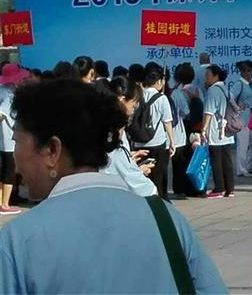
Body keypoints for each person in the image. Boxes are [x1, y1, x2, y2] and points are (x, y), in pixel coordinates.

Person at [0, 79, 226, 293]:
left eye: (17, 141)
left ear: (52, 150)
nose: (15, 161)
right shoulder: (165, 219)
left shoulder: (19, 239)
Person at [100, 76, 157, 197]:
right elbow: (145, 188)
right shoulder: (114, 143)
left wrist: (129, 160)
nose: (133, 110)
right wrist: (137, 171)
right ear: (122, 100)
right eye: (134, 103)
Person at [132, 62, 176, 200]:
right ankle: (161, 201)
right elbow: (167, 122)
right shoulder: (162, 98)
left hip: (139, 143)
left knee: (142, 176)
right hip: (157, 143)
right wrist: (172, 142)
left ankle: (145, 202)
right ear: (158, 82)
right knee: (159, 176)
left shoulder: (138, 95)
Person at [0, 64, 31, 215]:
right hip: (9, 140)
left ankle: (2, 201)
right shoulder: (11, 95)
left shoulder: (1, 91)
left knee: (3, 171)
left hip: (2, 140)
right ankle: (5, 205)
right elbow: (2, 113)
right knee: (9, 172)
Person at [202, 65, 235, 198]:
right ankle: (230, 189)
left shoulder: (213, 91)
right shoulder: (226, 89)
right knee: (227, 161)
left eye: (208, 75)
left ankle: (219, 188)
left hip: (216, 130)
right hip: (227, 130)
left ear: (216, 76)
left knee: (216, 161)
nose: (206, 78)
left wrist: (203, 129)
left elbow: (209, 112)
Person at [170, 63, 198, 199]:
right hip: (196, 127)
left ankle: (180, 189)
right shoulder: (197, 90)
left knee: (179, 162)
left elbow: (185, 112)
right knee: (191, 159)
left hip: (182, 128)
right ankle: (193, 187)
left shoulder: (177, 93)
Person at [232, 60, 252, 178]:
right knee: (243, 145)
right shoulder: (239, 84)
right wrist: (237, 108)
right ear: (242, 72)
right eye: (248, 71)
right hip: (243, 118)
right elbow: (231, 97)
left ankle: (249, 166)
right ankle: (241, 169)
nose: (250, 73)